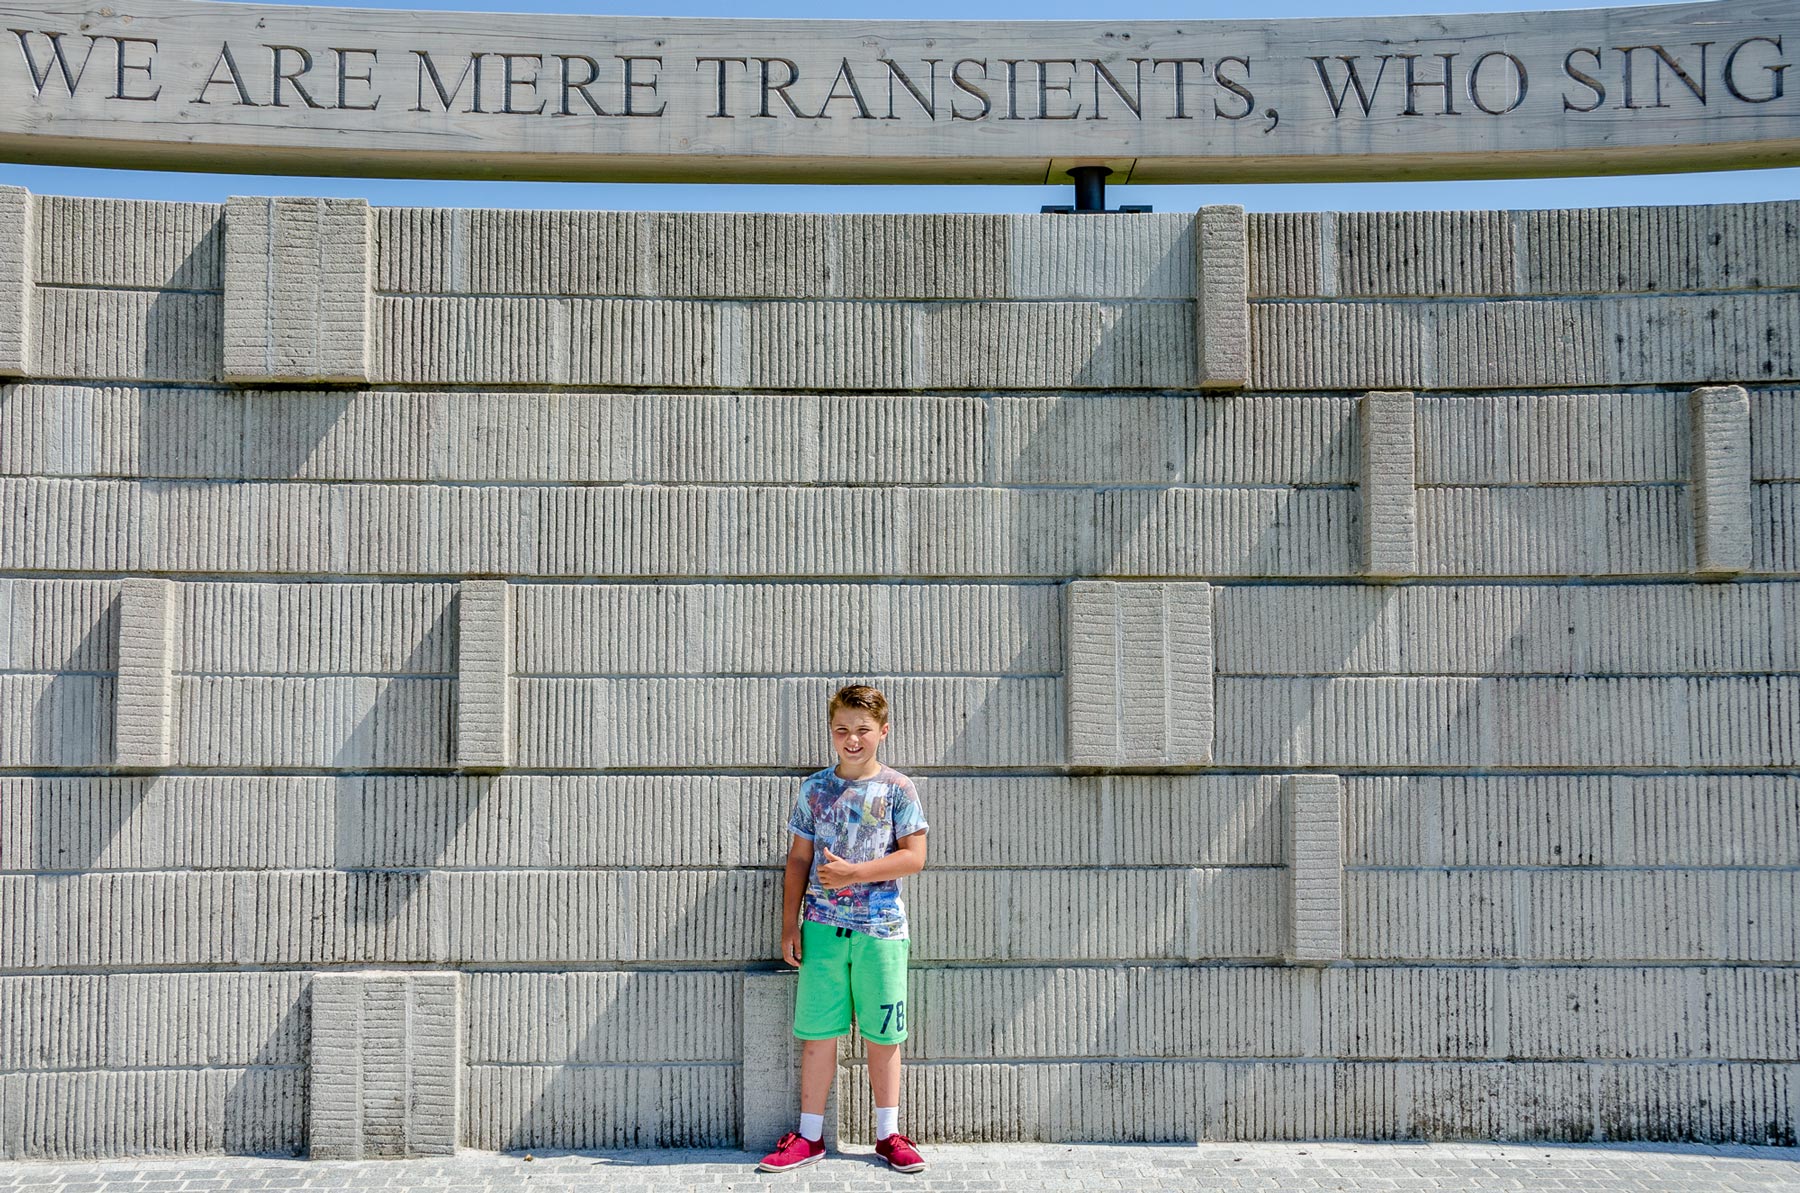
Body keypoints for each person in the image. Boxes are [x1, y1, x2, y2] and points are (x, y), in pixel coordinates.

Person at [757, 684, 929, 1174]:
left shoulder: (898, 789)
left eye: (863, 730)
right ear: (832, 732)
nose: (852, 739)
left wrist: (854, 872)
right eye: (842, 730)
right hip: (823, 930)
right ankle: (809, 1136)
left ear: (882, 731)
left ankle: (888, 1134)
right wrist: (790, 925)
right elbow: (797, 859)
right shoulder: (814, 789)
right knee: (817, 1033)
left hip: (881, 931)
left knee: (884, 1035)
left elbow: (915, 857)